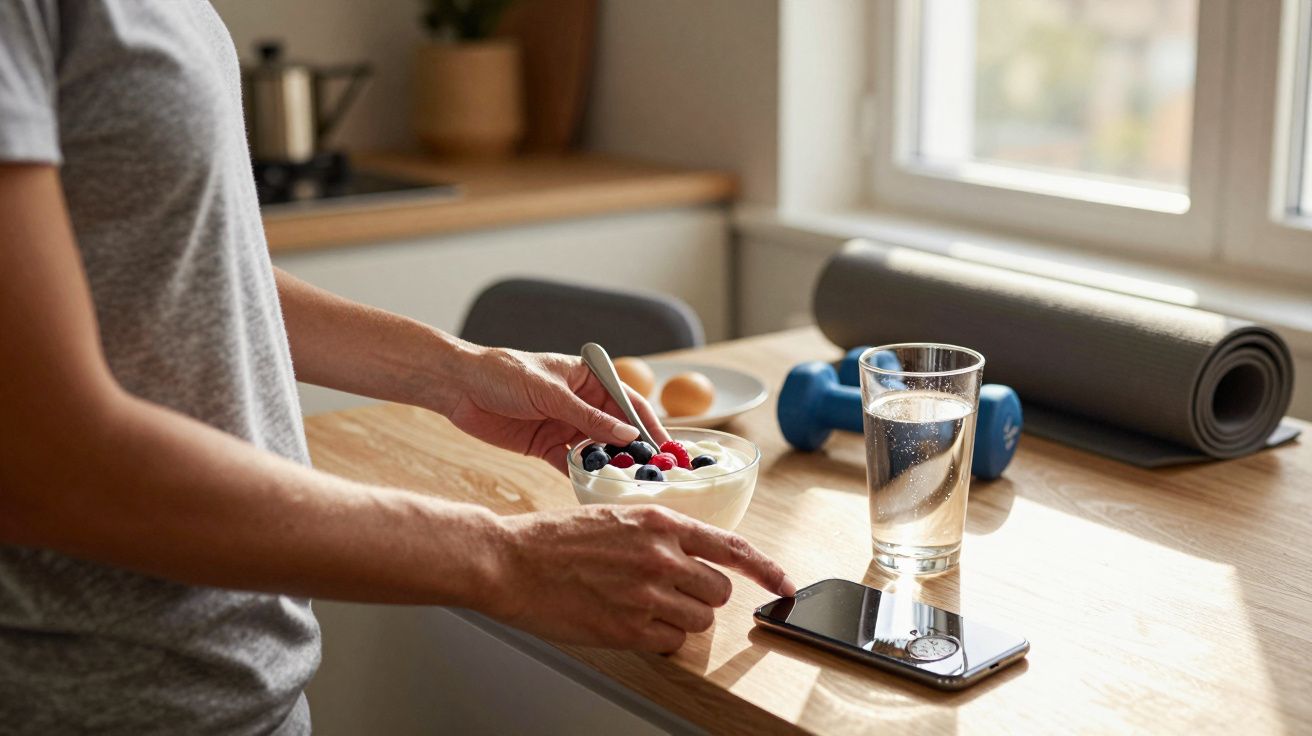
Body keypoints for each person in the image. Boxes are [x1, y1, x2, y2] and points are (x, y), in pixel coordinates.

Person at [0, 2, 794, 733]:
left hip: (229, 693)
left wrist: (452, 370)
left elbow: (184, 269)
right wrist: (505, 558)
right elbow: (42, 462)